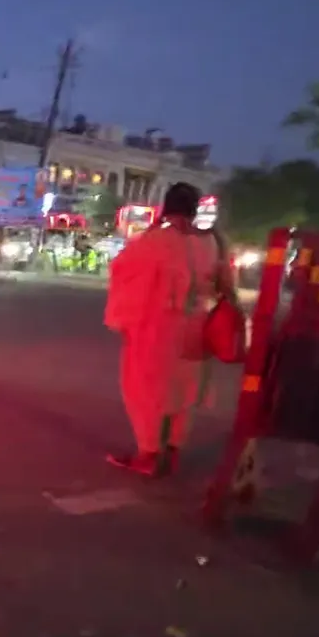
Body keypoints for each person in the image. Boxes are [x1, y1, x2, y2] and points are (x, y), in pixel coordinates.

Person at [104, 182, 235, 477]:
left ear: (167, 207)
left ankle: (149, 454)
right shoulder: (212, 242)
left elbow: (121, 269)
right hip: (197, 327)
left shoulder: (156, 241)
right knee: (184, 392)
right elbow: (224, 283)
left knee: (146, 390)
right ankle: (174, 451)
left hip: (158, 328)